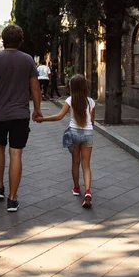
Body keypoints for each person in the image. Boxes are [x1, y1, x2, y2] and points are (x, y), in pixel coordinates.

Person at [0, 24, 42, 212]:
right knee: (16, 153)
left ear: (3, 40)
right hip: (20, 114)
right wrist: (37, 109)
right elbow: (35, 88)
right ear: (20, 41)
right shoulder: (28, 60)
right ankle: (12, 199)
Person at [36, 74, 95, 209]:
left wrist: (42, 119)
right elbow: (92, 121)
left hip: (73, 133)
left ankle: (76, 188)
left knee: (75, 162)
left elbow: (59, 116)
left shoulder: (70, 100)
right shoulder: (91, 102)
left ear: (72, 87)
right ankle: (88, 192)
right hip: (88, 133)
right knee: (86, 165)